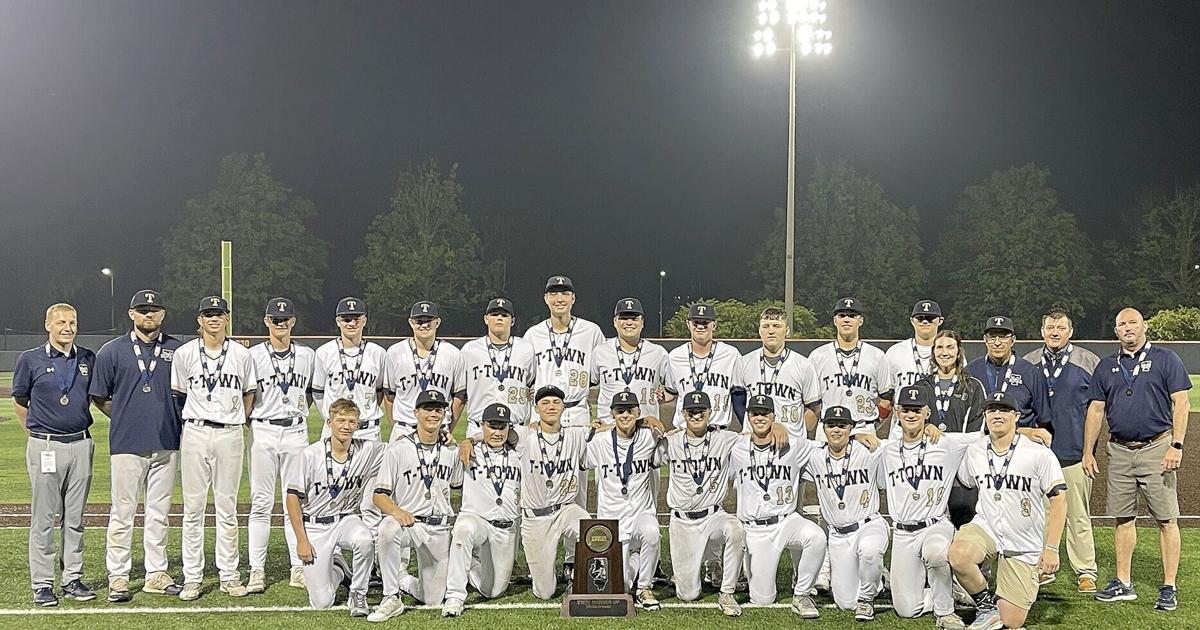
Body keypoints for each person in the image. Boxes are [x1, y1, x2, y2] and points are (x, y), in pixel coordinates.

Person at [1084, 308, 1190, 612]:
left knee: (1166, 519)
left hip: (1157, 447)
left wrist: (1177, 445)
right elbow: (1096, 410)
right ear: (1116, 331)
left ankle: (1169, 586)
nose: (1127, 328)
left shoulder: (1166, 359)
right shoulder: (1107, 365)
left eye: (1133, 322)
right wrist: (1088, 451)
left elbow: (1181, 402)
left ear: (1143, 326)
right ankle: (1123, 582)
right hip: (1119, 450)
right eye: (1122, 324)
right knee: (1123, 518)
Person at [89, 290, 184, 602]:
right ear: (131, 314)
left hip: (167, 441)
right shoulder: (112, 351)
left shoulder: (177, 350)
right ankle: (118, 576)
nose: (149, 315)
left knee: (159, 513)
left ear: (163, 314)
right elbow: (99, 396)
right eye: (142, 310)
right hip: (127, 443)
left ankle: (156, 573)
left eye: (154, 310)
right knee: (122, 512)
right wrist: (127, 417)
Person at [950, 392, 1067, 630]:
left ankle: (1023, 581)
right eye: (992, 410)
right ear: (985, 416)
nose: (997, 415)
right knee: (959, 554)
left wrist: (1052, 548)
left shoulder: (1038, 452)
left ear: (1017, 416)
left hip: (1023, 541)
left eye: (1004, 410)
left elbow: (1059, 501)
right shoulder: (975, 451)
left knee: (1012, 621)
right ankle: (986, 607)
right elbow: (965, 481)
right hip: (987, 527)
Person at [170, 296, 257, 600]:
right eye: (208, 314)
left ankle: (229, 575)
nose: (214, 319)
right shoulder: (184, 354)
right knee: (193, 509)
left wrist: (236, 419)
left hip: (229, 433)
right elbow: (178, 395)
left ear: (227, 318)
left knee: (227, 507)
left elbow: (249, 394)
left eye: (218, 314)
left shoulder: (242, 355)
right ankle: (192, 577)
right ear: (200, 320)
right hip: (195, 430)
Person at [13, 303, 98, 607]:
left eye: (72, 322)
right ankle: (42, 584)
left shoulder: (87, 358)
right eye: (61, 322)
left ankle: (72, 578)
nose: (67, 328)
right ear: (47, 325)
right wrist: (37, 435)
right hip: (46, 446)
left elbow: (95, 397)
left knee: (75, 518)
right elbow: (20, 401)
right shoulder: (30, 359)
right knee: (44, 519)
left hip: (81, 444)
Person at [484, 385, 591, 600]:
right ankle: (543, 577)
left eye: (556, 402)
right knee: (545, 592)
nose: (551, 407)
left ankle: (582, 576)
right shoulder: (524, 435)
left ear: (563, 407)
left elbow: (611, 428)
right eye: (545, 403)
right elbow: (495, 433)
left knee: (591, 530)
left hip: (565, 510)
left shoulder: (576, 434)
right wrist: (470, 441)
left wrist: (645, 420)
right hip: (535, 518)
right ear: (536, 408)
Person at [1021, 308, 1100, 592]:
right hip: (1038, 454)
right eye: (1050, 328)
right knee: (1039, 515)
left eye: (1061, 328)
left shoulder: (1088, 361)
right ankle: (1043, 566)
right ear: (1042, 331)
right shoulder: (1028, 362)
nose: (1055, 332)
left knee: (1078, 515)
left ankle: (1086, 571)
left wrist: (1089, 451)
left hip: (1074, 452)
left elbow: (1097, 409)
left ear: (1070, 331)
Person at [285, 397, 386, 616]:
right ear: (329, 423)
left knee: (364, 539)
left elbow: (401, 449)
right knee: (322, 602)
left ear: (358, 425)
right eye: (341, 420)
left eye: (351, 421)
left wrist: (441, 436)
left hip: (345, 518)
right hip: (314, 524)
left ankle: (358, 593)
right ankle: (339, 568)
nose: (346, 426)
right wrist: (301, 541)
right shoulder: (310, 455)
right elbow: (292, 498)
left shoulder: (367, 450)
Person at [369, 389, 462, 621]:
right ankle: (391, 596)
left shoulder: (451, 449)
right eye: (427, 409)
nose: (433, 414)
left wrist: (462, 443)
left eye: (438, 410)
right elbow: (379, 496)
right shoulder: (398, 448)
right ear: (416, 413)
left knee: (433, 599)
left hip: (439, 527)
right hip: (410, 524)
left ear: (445, 415)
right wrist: (397, 511)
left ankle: (403, 580)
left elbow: (458, 484)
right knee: (387, 528)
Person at [729, 395, 826, 616]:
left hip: (786, 521)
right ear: (748, 417)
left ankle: (802, 594)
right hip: (755, 529)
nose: (760, 418)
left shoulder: (794, 445)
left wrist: (857, 436)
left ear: (773, 416)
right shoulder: (737, 447)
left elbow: (829, 446)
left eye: (765, 414)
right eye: (755, 414)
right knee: (762, 600)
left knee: (816, 537)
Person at [246, 297, 317, 593]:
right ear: (266, 322)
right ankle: (256, 570)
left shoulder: (307, 355)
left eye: (285, 319)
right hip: (263, 429)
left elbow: (310, 393)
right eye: (275, 319)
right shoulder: (253, 356)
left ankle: (298, 567)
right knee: (261, 503)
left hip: (295, 431)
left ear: (293, 322)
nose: (280, 323)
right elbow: (247, 395)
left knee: (295, 502)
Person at [659, 392, 746, 617]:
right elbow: (648, 454)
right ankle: (693, 572)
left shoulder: (725, 438)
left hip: (713, 516)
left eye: (701, 411)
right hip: (682, 521)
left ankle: (727, 591)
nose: (696, 415)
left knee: (735, 528)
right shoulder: (671, 441)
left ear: (710, 413)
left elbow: (754, 436)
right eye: (691, 412)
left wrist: (777, 427)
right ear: (683, 413)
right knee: (688, 595)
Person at [804, 405, 888, 621]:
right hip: (838, 535)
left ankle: (867, 598)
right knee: (846, 603)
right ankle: (879, 578)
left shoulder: (868, 449)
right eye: (831, 425)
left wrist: (928, 429)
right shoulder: (814, 455)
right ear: (823, 428)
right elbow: (789, 444)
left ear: (851, 427)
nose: (836, 430)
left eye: (842, 426)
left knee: (870, 551)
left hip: (868, 524)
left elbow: (905, 443)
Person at [442, 403, 522, 618]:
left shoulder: (519, 453)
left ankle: (466, 563)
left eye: (502, 427)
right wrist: (467, 441)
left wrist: (471, 438)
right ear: (482, 425)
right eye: (492, 426)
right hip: (477, 520)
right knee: (464, 529)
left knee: (493, 591)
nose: (497, 432)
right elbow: (454, 482)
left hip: (505, 529)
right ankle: (455, 595)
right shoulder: (469, 451)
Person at [585, 390, 663, 610]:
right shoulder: (600, 441)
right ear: (612, 414)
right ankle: (635, 558)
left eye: (630, 410)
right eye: (620, 411)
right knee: (621, 587)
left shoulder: (648, 437)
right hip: (612, 521)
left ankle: (645, 587)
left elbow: (668, 440)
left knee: (652, 532)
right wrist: (594, 430)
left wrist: (650, 420)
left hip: (640, 513)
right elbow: (582, 462)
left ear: (638, 412)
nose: (625, 415)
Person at [915, 330, 987, 529]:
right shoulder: (921, 387)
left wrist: (943, 438)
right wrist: (924, 427)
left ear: (958, 351)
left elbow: (977, 433)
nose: (944, 352)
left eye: (950, 347)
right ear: (933, 352)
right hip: (930, 466)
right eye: (939, 347)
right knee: (930, 524)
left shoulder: (973, 386)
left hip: (962, 468)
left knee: (962, 522)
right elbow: (909, 424)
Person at [524, 275, 605, 429]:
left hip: (578, 413)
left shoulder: (591, 331)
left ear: (573, 298)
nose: (559, 299)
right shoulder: (532, 335)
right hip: (542, 414)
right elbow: (526, 377)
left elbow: (601, 372)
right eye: (554, 294)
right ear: (546, 298)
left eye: (565, 294)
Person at [808, 297, 892, 440]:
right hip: (829, 428)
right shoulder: (818, 356)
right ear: (835, 320)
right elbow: (811, 402)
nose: (846, 319)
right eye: (842, 315)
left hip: (863, 427)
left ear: (861, 321)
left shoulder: (876, 356)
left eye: (852, 316)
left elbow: (887, 398)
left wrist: (873, 421)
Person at [312, 297, 390, 442]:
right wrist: (334, 419)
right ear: (338, 321)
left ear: (364, 320)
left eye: (356, 319)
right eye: (346, 319)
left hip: (368, 431)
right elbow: (318, 393)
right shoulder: (324, 352)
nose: (352, 323)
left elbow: (379, 392)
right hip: (335, 430)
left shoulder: (378, 353)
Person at [738, 306, 822, 439]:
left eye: (777, 326)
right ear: (759, 331)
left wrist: (796, 436)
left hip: (791, 442)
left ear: (787, 330)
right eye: (766, 326)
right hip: (753, 441)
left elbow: (814, 409)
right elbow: (738, 402)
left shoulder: (803, 364)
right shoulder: (744, 362)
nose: (771, 331)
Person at [385, 301, 465, 437]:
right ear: (411, 322)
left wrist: (448, 428)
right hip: (404, 429)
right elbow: (389, 396)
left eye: (429, 321)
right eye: (419, 321)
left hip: (439, 429)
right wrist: (396, 427)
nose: (424, 325)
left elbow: (459, 396)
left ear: (437, 322)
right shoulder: (395, 352)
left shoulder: (453, 353)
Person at [591, 297, 676, 425]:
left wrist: (664, 396)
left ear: (642, 322)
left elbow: (671, 391)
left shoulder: (658, 353)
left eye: (634, 318)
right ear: (615, 322)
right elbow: (589, 384)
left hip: (646, 426)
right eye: (623, 318)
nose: (629, 322)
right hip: (609, 426)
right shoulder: (600, 352)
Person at [459, 298, 537, 434]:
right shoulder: (470, 350)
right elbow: (460, 391)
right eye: (494, 314)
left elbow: (532, 385)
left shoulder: (526, 349)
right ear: (486, 319)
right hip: (478, 427)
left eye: (504, 315)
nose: (499, 318)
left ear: (512, 321)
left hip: (516, 428)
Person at [667, 302, 746, 430]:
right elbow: (670, 393)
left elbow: (739, 396)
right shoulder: (675, 356)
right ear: (688, 324)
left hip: (718, 431)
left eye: (705, 323)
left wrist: (747, 427)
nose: (700, 327)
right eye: (696, 323)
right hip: (684, 431)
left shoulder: (731, 354)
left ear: (714, 325)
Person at [966, 316, 1051, 428]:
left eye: (1003, 337)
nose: (997, 343)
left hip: (1019, 436)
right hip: (978, 437)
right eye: (992, 337)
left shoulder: (1031, 373)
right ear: (985, 340)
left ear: (1013, 340)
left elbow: (1044, 418)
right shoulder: (971, 371)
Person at [884, 299, 944, 411]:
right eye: (920, 318)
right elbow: (886, 397)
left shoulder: (949, 353)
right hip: (903, 419)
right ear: (912, 321)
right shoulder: (895, 352)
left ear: (940, 321)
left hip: (939, 418)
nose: (925, 321)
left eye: (930, 318)